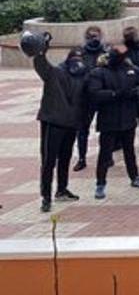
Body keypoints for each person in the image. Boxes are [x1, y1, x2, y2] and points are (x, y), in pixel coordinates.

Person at [26, 33, 86, 212]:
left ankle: (61, 189)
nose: (78, 62)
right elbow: (40, 64)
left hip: (70, 124)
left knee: (64, 158)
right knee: (48, 161)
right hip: (53, 123)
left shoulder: (83, 77)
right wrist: (42, 49)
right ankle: (46, 196)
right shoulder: (55, 73)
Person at [87, 45, 139, 198]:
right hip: (108, 119)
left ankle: (134, 177)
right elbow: (94, 93)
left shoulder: (131, 70)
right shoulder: (100, 72)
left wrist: (135, 92)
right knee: (105, 154)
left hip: (128, 117)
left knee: (129, 151)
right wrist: (114, 94)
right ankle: (100, 183)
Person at [73, 25, 107, 171]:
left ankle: (107, 157)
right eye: (91, 36)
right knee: (82, 130)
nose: (94, 39)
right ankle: (82, 158)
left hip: (102, 96)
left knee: (107, 129)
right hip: (85, 97)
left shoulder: (106, 52)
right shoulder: (79, 53)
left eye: (96, 36)